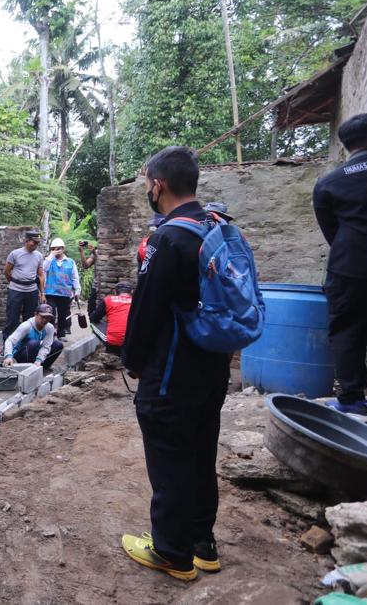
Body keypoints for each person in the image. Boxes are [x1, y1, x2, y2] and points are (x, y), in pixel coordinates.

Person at [120, 145, 231, 582]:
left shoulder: (167, 238)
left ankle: (171, 552)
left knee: (169, 456)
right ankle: (203, 545)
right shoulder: (217, 227)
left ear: (158, 185)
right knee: (202, 451)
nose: (148, 189)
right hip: (213, 365)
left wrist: (132, 359)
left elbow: (146, 309)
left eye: (148, 182)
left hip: (171, 370)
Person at [313, 113, 367, 422]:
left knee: (346, 330)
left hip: (350, 268)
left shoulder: (329, 183)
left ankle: (351, 401)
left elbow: (331, 230)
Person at [3, 231, 46, 339]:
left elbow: (40, 275)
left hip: (31, 291)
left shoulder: (39, 256)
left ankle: (26, 343)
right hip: (15, 290)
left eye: (37, 243)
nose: (35, 245)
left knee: (30, 319)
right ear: (27, 241)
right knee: (12, 318)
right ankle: (8, 344)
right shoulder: (15, 254)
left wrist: (42, 293)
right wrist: (14, 283)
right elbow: (7, 272)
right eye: (33, 243)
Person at [2, 305, 63, 371]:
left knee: (58, 345)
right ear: (36, 314)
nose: (45, 320)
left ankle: (42, 368)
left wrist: (39, 360)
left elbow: (46, 346)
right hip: (20, 355)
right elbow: (10, 341)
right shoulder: (26, 326)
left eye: (48, 318)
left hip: (35, 353)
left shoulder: (50, 327)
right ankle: (26, 369)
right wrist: (8, 356)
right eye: (43, 317)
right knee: (34, 343)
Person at [43, 238, 81, 339]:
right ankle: (50, 335)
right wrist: (51, 255)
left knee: (62, 315)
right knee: (51, 314)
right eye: (54, 248)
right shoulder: (49, 261)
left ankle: (61, 334)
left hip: (65, 293)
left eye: (59, 248)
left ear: (63, 249)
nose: (57, 250)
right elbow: (43, 268)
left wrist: (77, 290)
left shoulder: (70, 262)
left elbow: (75, 277)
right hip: (50, 293)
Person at [90, 282, 133, 354]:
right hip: (134, 343)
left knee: (93, 323)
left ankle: (111, 349)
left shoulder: (108, 300)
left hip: (114, 343)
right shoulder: (137, 301)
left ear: (115, 292)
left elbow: (94, 318)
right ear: (132, 292)